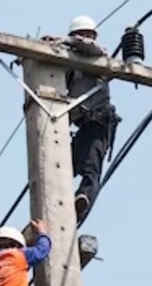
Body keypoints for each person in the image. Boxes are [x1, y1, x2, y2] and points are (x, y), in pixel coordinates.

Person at [44, 15, 121, 222]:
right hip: (82, 126)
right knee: (59, 165)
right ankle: (57, 207)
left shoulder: (98, 55)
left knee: (91, 169)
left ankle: (82, 201)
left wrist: (63, 40)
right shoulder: (70, 63)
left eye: (89, 35)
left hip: (99, 124)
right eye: (81, 34)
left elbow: (90, 47)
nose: (86, 38)